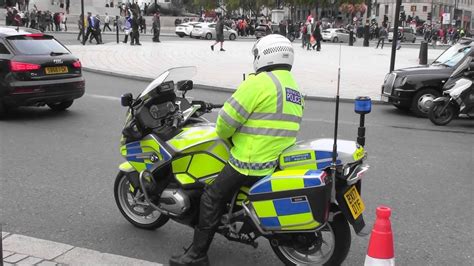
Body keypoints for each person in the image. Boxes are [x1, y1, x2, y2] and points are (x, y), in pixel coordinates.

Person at [169, 34, 303, 266]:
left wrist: (228, 133)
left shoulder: (259, 82)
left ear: (264, 56)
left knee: (211, 198)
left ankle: (196, 256)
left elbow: (225, 123)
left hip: (251, 160)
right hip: (275, 158)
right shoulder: (293, 87)